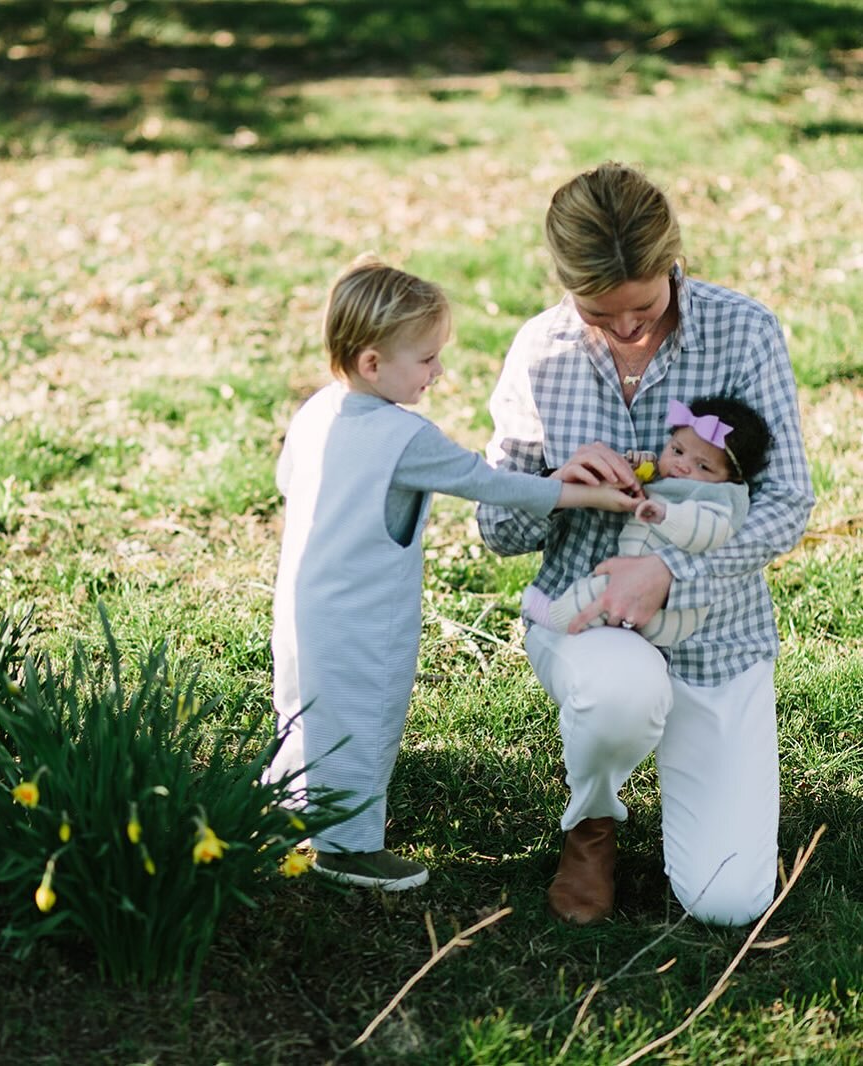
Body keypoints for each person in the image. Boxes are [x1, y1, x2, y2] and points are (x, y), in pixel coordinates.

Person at [477, 163, 813, 926]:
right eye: (601, 313)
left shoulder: (743, 330)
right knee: (622, 693)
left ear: (673, 261)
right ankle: (593, 821)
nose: (626, 328)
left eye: (643, 307)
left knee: (729, 901)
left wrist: (670, 572)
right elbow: (496, 532)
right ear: (565, 282)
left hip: (717, 633)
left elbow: (789, 500)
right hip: (589, 622)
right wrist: (550, 482)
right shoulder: (540, 350)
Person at [269, 254, 638, 891]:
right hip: (366, 614)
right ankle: (350, 848)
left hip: (303, 600)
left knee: (304, 707)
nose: (439, 372)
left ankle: (290, 817)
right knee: (365, 717)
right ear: (373, 363)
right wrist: (588, 496)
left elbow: (287, 484)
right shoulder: (404, 437)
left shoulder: (316, 411)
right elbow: (490, 486)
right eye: (427, 358)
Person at [523, 395, 772, 646]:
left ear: (730, 479)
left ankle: (557, 617)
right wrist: (630, 465)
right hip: (637, 589)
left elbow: (711, 530)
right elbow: (643, 472)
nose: (682, 465)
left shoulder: (718, 496)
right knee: (601, 585)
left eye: (703, 466)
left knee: (604, 589)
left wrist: (667, 515)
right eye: (677, 450)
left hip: (669, 613)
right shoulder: (667, 477)